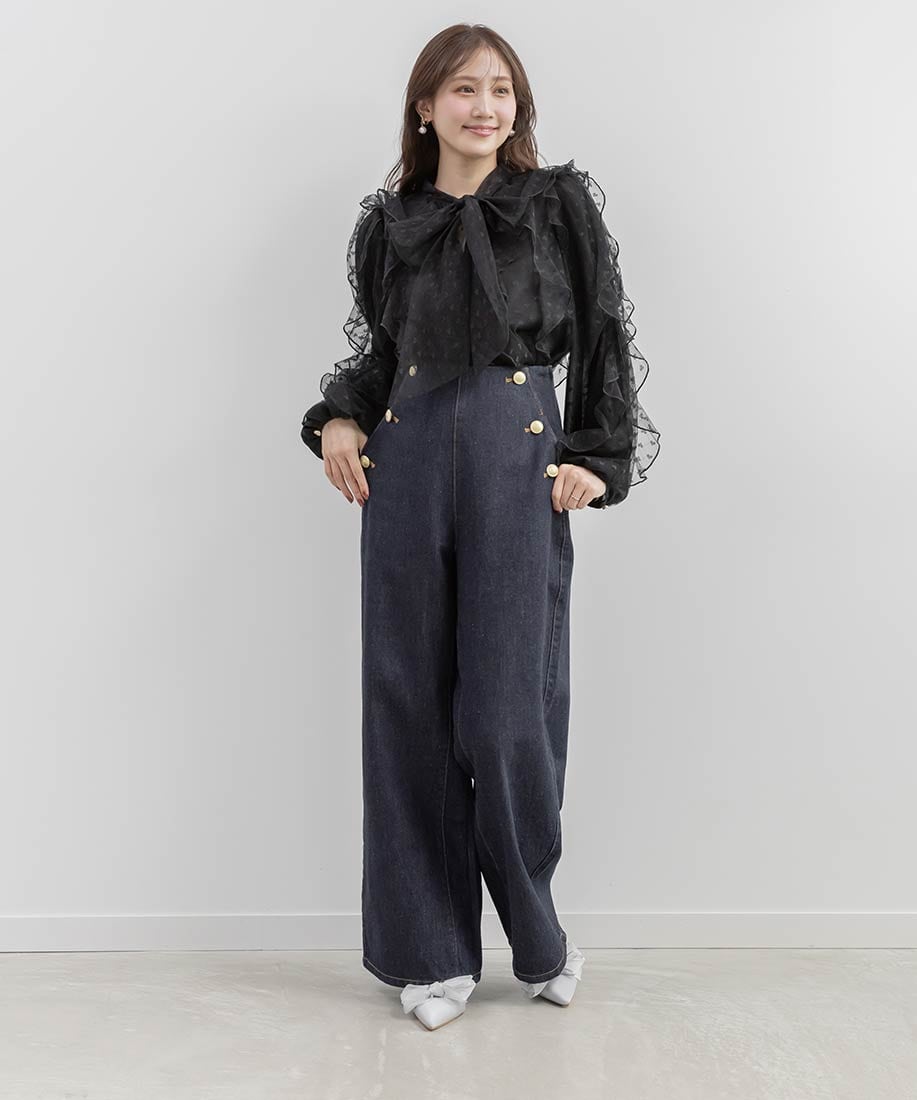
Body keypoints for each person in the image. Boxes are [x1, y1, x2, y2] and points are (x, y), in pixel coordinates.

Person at [300, 24, 660, 1031]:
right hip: (406, 458)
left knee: (507, 716)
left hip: (518, 457)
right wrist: (339, 417)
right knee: (407, 707)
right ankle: (430, 953)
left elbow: (602, 333)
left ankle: (537, 936)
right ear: (425, 107)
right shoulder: (391, 223)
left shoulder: (554, 204)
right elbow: (382, 351)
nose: (484, 106)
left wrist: (597, 454)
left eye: (500, 89)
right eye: (463, 89)